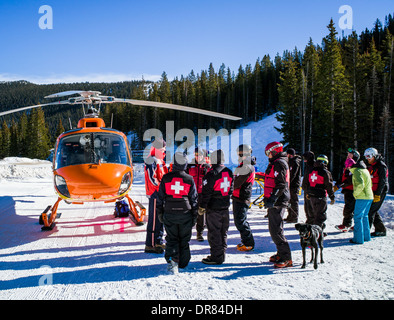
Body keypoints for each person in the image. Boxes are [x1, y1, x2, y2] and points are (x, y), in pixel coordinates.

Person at [156, 152, 198, 272]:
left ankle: (172, 262)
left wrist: (160, 212)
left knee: (172, 238)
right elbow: (194, 199)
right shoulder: (189, 179)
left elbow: (160, 198)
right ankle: (183, 263)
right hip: (185, 213)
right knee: (184, 239)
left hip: (169, 212)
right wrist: (194, 215)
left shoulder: (166, 177)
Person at [199, 150, 234, 265]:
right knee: (223, 232)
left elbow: (206, 193)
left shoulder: (211, 174)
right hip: (225, 206)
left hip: (213, 208)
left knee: (214, 233)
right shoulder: (229, 172)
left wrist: (202, 206)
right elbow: (231, 189)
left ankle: (216, 257)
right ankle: (221, 254)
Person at [263, 141, 292, 268]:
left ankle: (286, 258)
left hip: (278, 201)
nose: (268, 156)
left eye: (268, 153)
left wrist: (272, 199)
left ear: (275, 151)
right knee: (273, 228)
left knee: (276, 230)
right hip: (276, 200)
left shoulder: (279, 163)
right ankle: (281, 253)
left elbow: (281, 185)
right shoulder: (276, 162)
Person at [144, 138, 168, 253]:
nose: (164, 151)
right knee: (154, 220)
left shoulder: (160, 161)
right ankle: (150, 244)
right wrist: (162, 188)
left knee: (160, 219)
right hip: (155, 194)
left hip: (161, 194)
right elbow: (152, 178)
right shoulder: (151, 160)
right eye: (163, 148)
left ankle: (158, 241)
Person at [232, 144, 255, 251]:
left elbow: (237, 183)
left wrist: (229, 186)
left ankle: (249, 243)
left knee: (241, 221)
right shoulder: (243, 165)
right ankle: (246, 241)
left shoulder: (246, 166)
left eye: (239, 153)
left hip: (242, 197)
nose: (238, 155)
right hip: (238, 196)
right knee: (239, 221)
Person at [305, 154, 335, 230]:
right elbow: (329, 185)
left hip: (312, 195)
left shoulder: (311, 170)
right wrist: (332, 197)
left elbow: (307, 183)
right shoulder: (325, 172)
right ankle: (317, 232)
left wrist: (308, 193)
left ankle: (313, 230)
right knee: (320, 215)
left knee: (313, 213)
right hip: (320, 196)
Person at [186, 148, 210, 241]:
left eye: (199, 155)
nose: (198, 157)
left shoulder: (206, 166)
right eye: (196, 155)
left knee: (201, 214)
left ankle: (199, 233)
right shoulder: (190, 165)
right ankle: (186, 232)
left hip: (202, 193)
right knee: (189, 213)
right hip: (191, 193)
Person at [364, 148, 388, 237]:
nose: (367, 158)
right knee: (372, 210)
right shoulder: (372, 166)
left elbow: (382, 181)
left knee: (370, 211)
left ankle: (365, 233)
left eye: (369, 156)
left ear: (374, 156)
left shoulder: (381, 166)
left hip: (380, 191)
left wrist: (378, 194)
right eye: (366, 156)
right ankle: (381, 229)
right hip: (372, 191)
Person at [348, 159, 373, 244]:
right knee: (365, 216)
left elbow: (360, 184)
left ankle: (358, 239)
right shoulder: (365, 170)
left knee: (358, 217)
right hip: (369, 196)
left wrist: (355, 194)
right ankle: (366, 237)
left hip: (362, 197)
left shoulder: (357, 171)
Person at [334, 148, 360, 232]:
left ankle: (346, 224)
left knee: (349, 208)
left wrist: (340, 185)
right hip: (347, 190)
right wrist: (337, 183)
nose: (348, 156)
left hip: (352, 190)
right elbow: (343, 177)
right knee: (349, 207)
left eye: (350, 155)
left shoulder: (355, 167)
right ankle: (348, 224)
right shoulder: (347, 166)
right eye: (348, 154)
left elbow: (350, 180)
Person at [284, 148, 302, 223]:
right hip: (289, 184)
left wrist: (287, 182)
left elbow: (293, 174)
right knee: (289, 200)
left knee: (294, 201)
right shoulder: (290, 161)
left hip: (294, 184)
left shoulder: (295, 162)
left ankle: (294, 216)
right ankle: (290, 215)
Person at [301, 151, 315, 223]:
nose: (304, 160)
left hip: (311, 189)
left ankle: (312, 219)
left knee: (310, 205)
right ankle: (309, 219)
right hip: (307, 188)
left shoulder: (313, 166)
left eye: (305, 158)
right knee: (306, 205)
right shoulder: (308, 165)